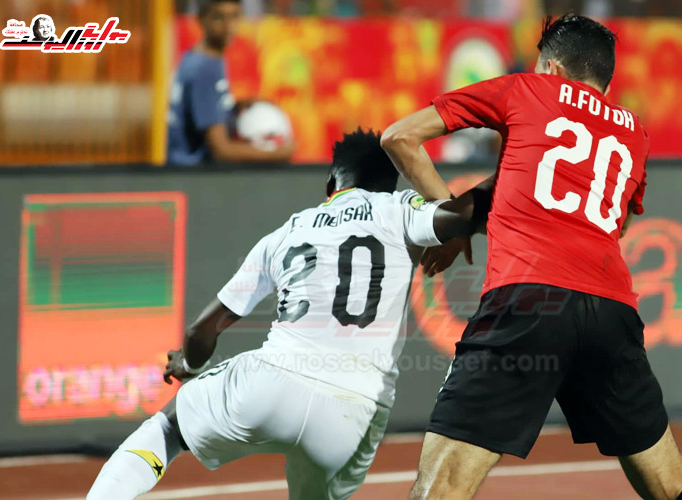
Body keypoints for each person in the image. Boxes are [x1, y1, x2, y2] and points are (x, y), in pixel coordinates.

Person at [381, 14, 682, 500]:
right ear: (606, 81)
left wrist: (452, 225)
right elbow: (615, 225)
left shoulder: (526, 88)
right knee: (674, 487)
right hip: (611, 313)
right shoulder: (635, 133)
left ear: (552, 68)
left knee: (440, 489)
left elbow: (398, 137)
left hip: (526, 302)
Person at [85, 128, 492, 500]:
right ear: (392, 183)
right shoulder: (399, 207)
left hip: (274, 379)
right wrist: (509, 174)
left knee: (167, 429)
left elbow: (203, 329)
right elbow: (465, 214)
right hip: (356, 409)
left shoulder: (289, 230)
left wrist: (188, 364)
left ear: (331, 183)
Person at [167, 0, 294, 166]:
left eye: (234, 16)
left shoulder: (196, 57)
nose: (228, 26)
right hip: (192, 172)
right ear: (202, 19)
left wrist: (236, 106)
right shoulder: (206, 68)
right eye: (219, 17)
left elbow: (201, 109)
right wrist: (278, 153)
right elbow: (221, 150)